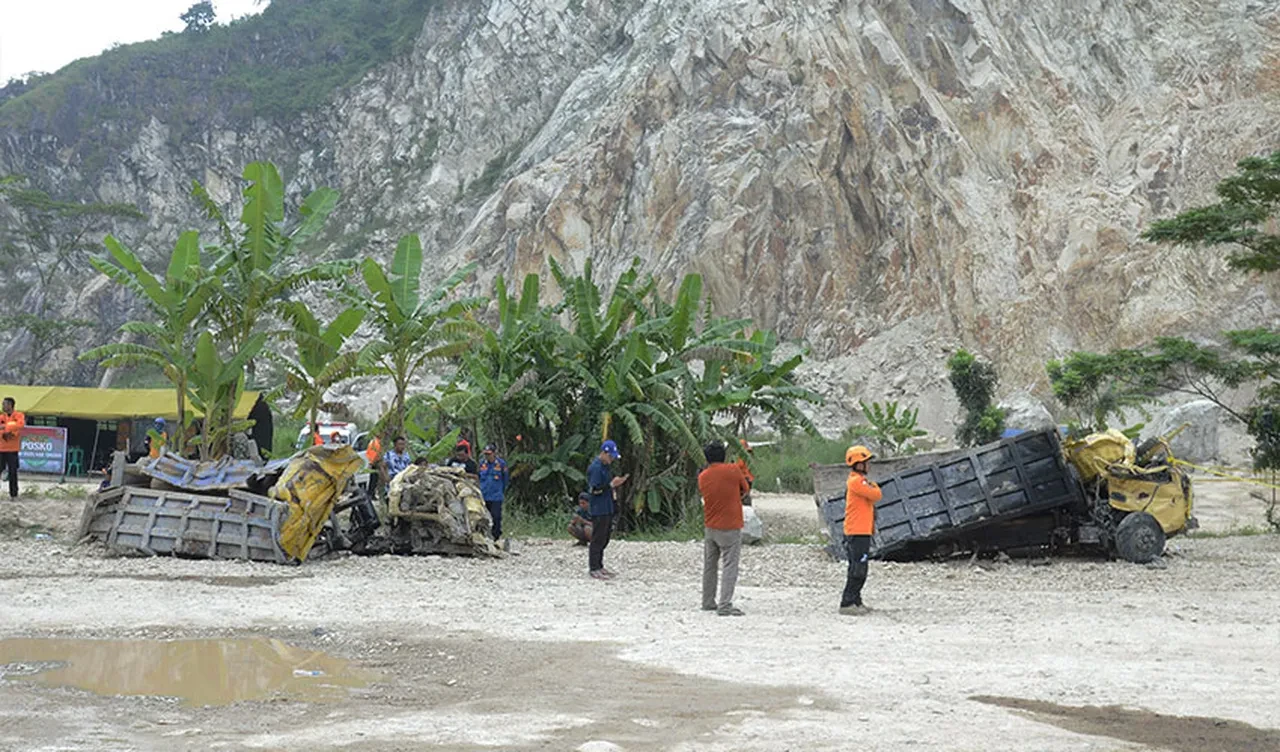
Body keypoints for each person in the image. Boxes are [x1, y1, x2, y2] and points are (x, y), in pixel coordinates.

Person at [698, 441, 750, 616]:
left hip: (710, 526)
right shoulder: (733, 470)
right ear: (723, 456)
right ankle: (725, 604)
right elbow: (746, 488)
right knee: (729, 565)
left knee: (710, 565)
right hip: (730, 525)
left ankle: (707, 601)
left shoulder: (702, 476)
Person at [840, 445, 883, 616]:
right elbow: (876, 495)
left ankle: (856, 601)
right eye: (865, 462)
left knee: (859, 567)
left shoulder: (858, 481)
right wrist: (874, 486)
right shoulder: (856, 482)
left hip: (861, 530)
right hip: (857, 531)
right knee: (858, 568)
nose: (868, 465)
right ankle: (847, 602)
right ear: (858, 464)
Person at [585, 440, 627, 579]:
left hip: (607, 506)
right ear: (604, 453)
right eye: (610, 456)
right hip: (599, 508)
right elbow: (594, 490)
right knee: (597, 538)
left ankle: (600, 565)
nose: (612, 459)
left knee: (605, 537)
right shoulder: (595, 468)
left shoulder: (606, 467)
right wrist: (610, 485)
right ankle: (594, 567)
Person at [477, 443, 509, 540]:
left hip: (496, 495)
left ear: (494, 453)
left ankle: (496, 536)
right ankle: (483, 536)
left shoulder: (501, 464)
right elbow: (478, 478)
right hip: (484, 495)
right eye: (486, 454)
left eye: (489, 454)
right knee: (482, 518)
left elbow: (505, 480)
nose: (487, 456)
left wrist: (500, 491)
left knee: (496, 517)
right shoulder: (482, 464)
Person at [0, 398, 24, 499]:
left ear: (10, 405)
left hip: (13, 449)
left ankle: (13, 494)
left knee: (13, 472)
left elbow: (20, 425)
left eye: (5, 404)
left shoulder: (19, 415)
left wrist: (5, 427)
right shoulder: (1, 416)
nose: (3, 406)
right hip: (1, 449)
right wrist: (8, 429)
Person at [736, 439, 755, 506]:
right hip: (748, 478)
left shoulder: (740, 457)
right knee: (746, 495)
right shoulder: (748, 455)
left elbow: (739, 466)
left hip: (744, 478)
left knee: (743, 496)